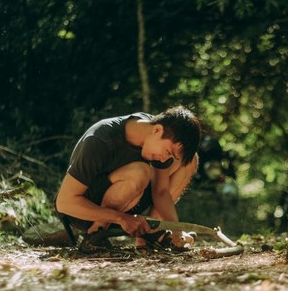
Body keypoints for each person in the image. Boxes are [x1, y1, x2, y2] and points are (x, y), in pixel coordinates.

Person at [55, 105, 201, 249]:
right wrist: (121, 218)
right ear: (157, 130)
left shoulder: (155, 134)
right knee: (140, 172)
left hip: (128, 205)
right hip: (83, 211)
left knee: (189, 161)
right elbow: (64, 203)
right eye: (168, 151)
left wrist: (176, 230)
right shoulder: (100, 139)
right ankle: (96, 234)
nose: (165, 160)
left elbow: (161, 192)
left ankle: (151, 233)